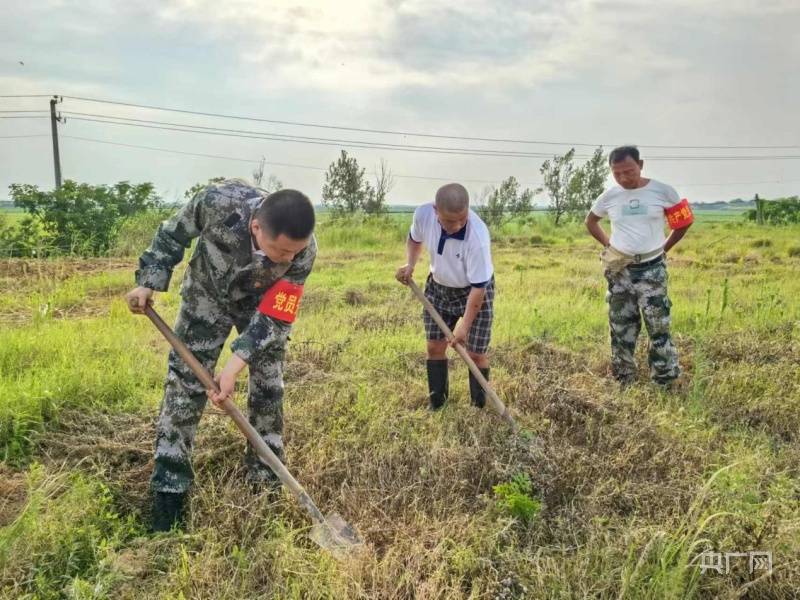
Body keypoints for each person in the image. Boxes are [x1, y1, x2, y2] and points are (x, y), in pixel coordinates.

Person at [126, 179, 316, 531]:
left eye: (295, 252)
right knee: (184, 385)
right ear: (256, 227)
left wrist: (234, 365)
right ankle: (170, 490)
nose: (290, 259)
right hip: (206, 296)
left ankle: (265, 480)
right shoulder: (217, 202)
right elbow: (172, 235)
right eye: (282, 252)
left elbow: (277, 314)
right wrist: (149, 280)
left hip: (260, 305)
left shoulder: (304, 249)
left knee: (269, 386)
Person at [585, 146, 693, 387]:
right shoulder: (609, 196)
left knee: (658, 326)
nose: (623, 178)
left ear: (641, 165)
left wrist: (664, 248)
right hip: (620, 270)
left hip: (651, 268)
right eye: (617, 173)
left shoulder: (663, 191)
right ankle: (624, 378)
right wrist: (609, 245)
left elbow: (684, 222)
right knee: (621, 326)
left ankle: (665, 380)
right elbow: (590, 221)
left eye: (629, 171)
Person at [396, 183, 495, 410]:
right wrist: (410, 264)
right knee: (434, 347)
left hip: (474, 291)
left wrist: (463, 327)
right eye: (450, 221)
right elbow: (414, 238)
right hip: (438, 287)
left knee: (476, 353)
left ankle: (477, 407)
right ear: (435, 211)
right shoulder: (423, 215)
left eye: (462, 218)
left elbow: (479, 290)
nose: (458, 225)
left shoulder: (477, 238)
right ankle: (437, 404)